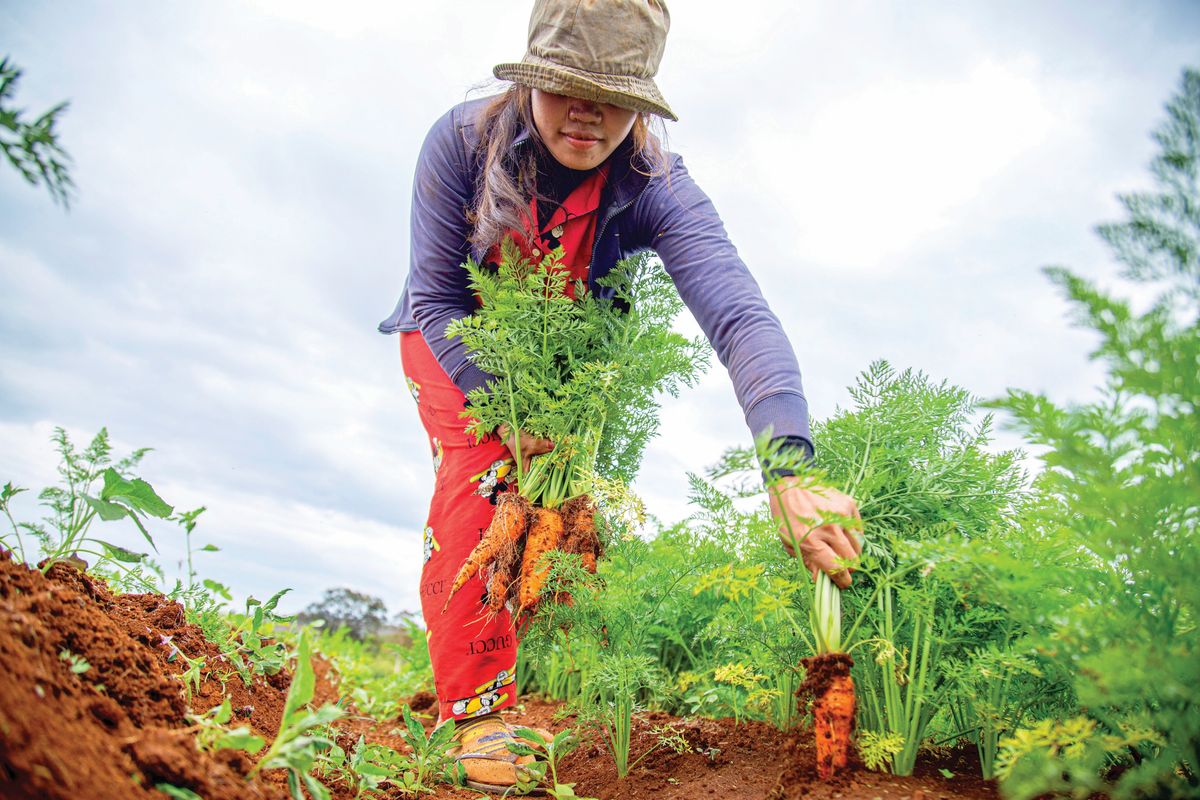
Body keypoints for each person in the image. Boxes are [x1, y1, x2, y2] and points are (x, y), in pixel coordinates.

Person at [377, 0, 863, 790]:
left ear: (640, 103)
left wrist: (790, 466)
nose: (589, 113)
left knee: (551, 526)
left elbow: (739, 314)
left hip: (563, 361)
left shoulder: (654, 184)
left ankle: (484, 669)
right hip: (454, 342)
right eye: (568, 86)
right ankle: (469, 716)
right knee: (487, 480)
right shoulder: (462, 142)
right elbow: (436, 297)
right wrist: (503, 407)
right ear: (533, 76)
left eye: (615, 95)